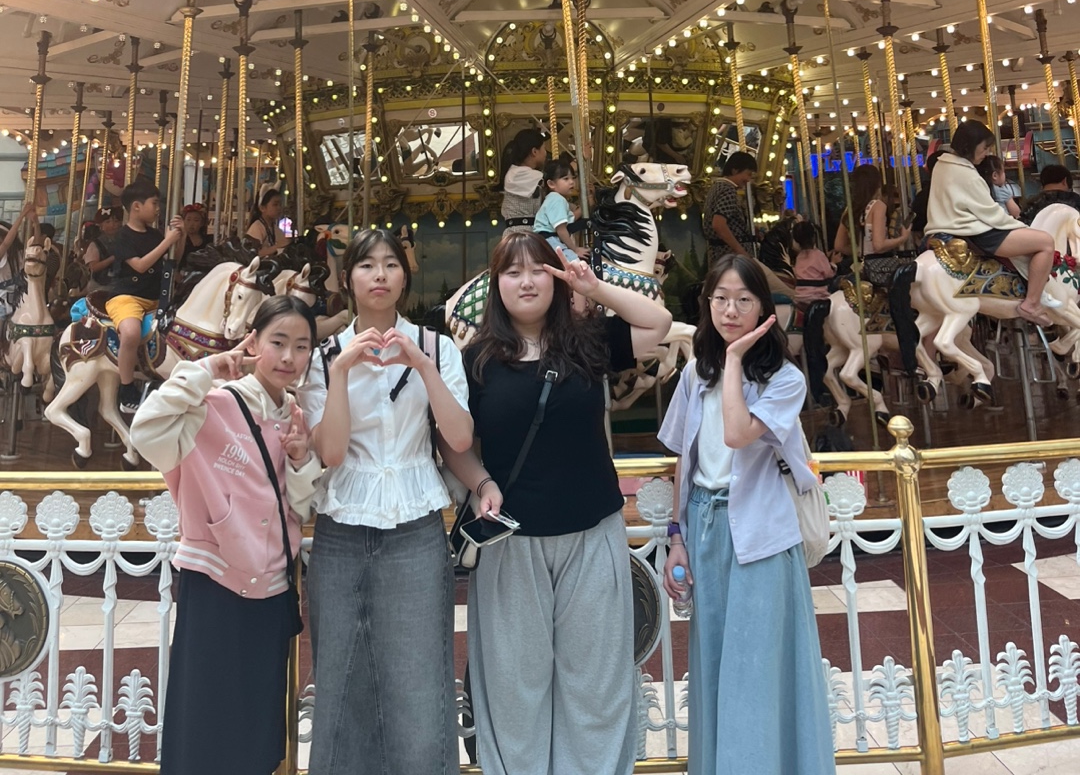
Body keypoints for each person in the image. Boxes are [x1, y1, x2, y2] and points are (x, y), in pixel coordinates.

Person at [441, 230, 672, 775]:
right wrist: (481, 483)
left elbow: (657, 324)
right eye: (512, 272)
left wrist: (594, 287)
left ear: (556, 278)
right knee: (514, 686)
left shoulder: (588, 343)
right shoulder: (476, 360)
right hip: (511, 541)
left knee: (595, 682)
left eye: (538, 270)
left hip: (591, 531)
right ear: (496, 285)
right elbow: (452, 443)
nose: (526, 281)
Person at [297, 228, 473, 775]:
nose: (379, 275)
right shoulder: (324, 357)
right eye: (367, 265)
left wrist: (422, 365)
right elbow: (330, 452)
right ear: (348, 278)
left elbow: (459, 437)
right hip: (341, 528)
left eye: (391, 264)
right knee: (340, 672)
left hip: (416, 526)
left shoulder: (438, 347)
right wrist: (341, 371)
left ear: (404, 275)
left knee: (419, 675)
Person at [658, 254, 835, 775]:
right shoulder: (695, 374)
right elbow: (684, 461)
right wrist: (676, 537)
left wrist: (734, 360)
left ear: (764, 309)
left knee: (759, 668)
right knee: (714, 664)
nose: (730, 310)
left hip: (762, 532)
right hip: (704, 526)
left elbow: (737, 434)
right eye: (720, 299)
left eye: (743, 300)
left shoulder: (784, 379)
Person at [130, 295, 320, 775]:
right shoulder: (212, 403)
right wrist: (205, 368)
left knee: (255, 727)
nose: (288, 357)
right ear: (252, 342)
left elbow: (300, 507)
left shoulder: (294, 415)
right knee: (204, 720)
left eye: (301, 346)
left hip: (271, 586)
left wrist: (301, 460)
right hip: (215, 578)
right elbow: (145, 431)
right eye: (278, 342)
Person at [926, 119, 1055, 325]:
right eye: (984, 148)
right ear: (969, 146)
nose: (986, 153)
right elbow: (991, 213)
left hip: (950, 230)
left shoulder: (943, 165)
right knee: (1045, 242)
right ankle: (1031, 303)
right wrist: (1022, 226)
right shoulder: (965, 173)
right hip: (978, 232)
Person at [109, 177, 183, 416]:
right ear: (136, 206)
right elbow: (140, 266)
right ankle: (126, 388)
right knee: (131, 332)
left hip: (156, 298)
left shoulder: (154, 235)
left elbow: (173, 259)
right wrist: (167, 241)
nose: (158, 208)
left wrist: (178, 238)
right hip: (127, 297)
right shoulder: (123, 236)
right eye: (154, 203)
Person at [832, 165, 911, 288]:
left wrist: (860, 251)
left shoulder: (850, 209)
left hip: (860, 267)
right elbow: (878, 245)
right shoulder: (878, 205)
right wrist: (902, 239)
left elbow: (839, 245)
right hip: (877, 268)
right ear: (876, 184)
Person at [704, 152, 757, 263]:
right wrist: (741, 251)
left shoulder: (716, 187)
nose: (748, 179)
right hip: (730, 255)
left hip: (719, 253)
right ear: (735, 170)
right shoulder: (728, 190)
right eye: (748, 174)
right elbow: (718, 224)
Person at [532, 157, 585, 257]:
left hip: (545, 240)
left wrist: (587, 204)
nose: (572, 182)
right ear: (551, 184)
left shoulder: (553, 198)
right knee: (572, 260)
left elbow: (571, 218)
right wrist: (575, 249)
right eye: (566, 179)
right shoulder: (557, 199)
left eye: (573, 178)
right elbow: (561, 230)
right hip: (550, 240)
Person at [499, 127, 548, 227]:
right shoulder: (517, 174)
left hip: (529, 229)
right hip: (521, 231)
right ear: (534, 151)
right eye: (544, 148)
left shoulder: (523, 173)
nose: (546, 153)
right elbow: (552, 178)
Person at [791, 222, 835, 304]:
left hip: (800, 297)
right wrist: (834, 263)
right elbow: (829, 274)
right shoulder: (819, 255)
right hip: (817, 296)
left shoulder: (799, 257)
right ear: (814, 237)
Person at [82, 206, 121, 296]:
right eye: (108, 222)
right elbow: (94, 267)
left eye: (116, 221)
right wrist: (113, 258)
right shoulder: (96, 244)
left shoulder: (123, 240)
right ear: (101, 226)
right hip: (101, 285)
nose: (113, 225)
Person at [246, 187, 287, 257]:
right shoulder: (257, 227)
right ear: (262, 208)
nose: (279, 208)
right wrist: (277, 246)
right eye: (275, 204)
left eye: (280, 204)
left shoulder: (276, 229)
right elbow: (254, 254)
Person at [978, 155, 1021, 220]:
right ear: (995, 175)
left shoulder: (981, 189)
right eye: (1003, 171)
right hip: (1003, 221)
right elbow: (1016, 212)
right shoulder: (1001, 190)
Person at [178, 203, 210, 269]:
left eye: (196, 220)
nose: (191, 224)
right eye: (188, 220)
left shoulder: (208, 241)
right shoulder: (179, 239)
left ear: (202, 223)